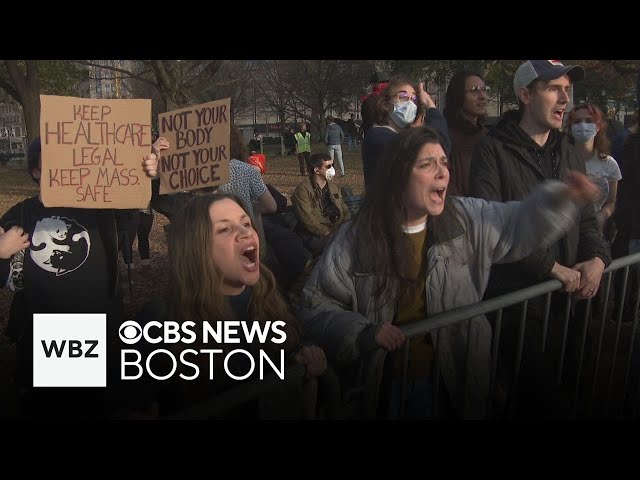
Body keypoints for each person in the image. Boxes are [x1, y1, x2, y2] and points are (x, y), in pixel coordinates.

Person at [298, 126, 600, 419]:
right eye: (427, 164)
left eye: (444, 162)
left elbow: (517, 223)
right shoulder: (356, 238)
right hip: (388, 390)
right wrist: (363, 332)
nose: (443, 172)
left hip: (459, 380)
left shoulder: (466, 218)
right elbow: (315, 306)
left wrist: (561, 199)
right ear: (398, 175)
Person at [468, 60, 611, 417]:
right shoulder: (492, 150)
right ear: (525, 95)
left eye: (567, 89)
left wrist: (598, 259)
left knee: (576, 392)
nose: (565, 97)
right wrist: (551, 268)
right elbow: (492, 225)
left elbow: (588, 221)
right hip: (521, 310)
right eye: (553, 88)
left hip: (573, 307)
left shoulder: (569, 149)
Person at [0, 137, 158, 418]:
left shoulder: (100, 209)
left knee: (104, 407)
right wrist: (0, 253)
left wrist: (144, 171)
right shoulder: (21, 214)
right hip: (48, 338)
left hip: (102, 329)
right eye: (53, 161)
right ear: (36, 171)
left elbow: (133, 200)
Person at [136, 193, 328, 418]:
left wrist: (304, 354)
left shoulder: (271, 297)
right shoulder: (159, 321)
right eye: (225, 229)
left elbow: (293, 343)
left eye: (246, 223)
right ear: (197, 249)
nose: (246, 232)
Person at [361, 74, 450, 190]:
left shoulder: (396, 136)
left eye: (414, 99)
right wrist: (430, 105)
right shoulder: (378, 137)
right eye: (402, 96)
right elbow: (437, 147)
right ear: (386, 105)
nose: (410, 103)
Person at [566, 103, 621, 244]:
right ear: (570, 128)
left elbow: (611, 202)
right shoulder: (561, 161)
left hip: (596, 235)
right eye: (577, 121)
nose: (583, 126)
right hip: (566, 233)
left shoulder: (610, 164)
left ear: (598, 126)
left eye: (589, 121)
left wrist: (602, 216)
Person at [292, 152, 351, 255]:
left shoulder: (333, 186)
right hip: (316, 234)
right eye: (328, 166)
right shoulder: (303, 190)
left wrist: (345, 226)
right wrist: (326, 232)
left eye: (332, 165)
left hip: (337, 229)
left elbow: (344, 209)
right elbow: (307, 218)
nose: (332, 169)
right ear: (316, 170)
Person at [443, 70, 489, 196]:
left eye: (484, 89)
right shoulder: (444, 137)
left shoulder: (489, 137)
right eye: (474, 90)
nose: (482, 96)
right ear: (458, 96)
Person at [360, 71, 390, 138]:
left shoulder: (392, 98)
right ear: (373, 84)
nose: (384, 84)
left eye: (385, 82)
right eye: (381, 82)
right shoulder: (369, 101)